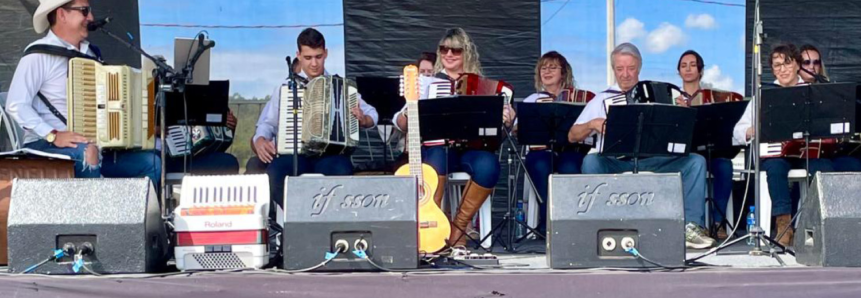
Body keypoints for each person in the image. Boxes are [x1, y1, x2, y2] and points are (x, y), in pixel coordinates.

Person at [568, 43, 715, 249]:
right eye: (620, 69)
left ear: (639, 68)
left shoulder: (663, 95)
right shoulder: (602, 99)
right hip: (616, 161)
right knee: (591, 160)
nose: (625, 74)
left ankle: (690, 227)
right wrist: (593, 124)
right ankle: (596, 224)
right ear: (613, 70)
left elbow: (684, 135)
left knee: (696, 162)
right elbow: (572, 136)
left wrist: (683, 114)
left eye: (631, 68)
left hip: (655, 160)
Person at [5, 0, 160, 188]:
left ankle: (129, 216)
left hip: (94, 147)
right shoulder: (38, 55)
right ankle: (94, 216)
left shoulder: (92, 55)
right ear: (62, 14)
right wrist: (53, 135)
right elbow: (16, 104)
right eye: (84, 11)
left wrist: (138, 130)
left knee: (150, 162)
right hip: (45, 146)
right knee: (88, 152)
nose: (91, 18)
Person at [392, 28, 513, 249]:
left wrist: (507, 119)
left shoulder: (483, 86)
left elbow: (505, 131)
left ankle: (458, 229)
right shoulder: (426, 83)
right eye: (444, 49)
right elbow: (399, 123)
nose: (448, 54)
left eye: (455, 50)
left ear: (466, 53)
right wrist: (410, 109)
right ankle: (434, 227)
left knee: (489, 165)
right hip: (437, 150)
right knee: (437, 155)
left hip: (471, 150)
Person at [253, 28, 378, 209]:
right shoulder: (285, 87)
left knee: (342, 171)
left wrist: (364, 119)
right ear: (299, 55)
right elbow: (267, 123)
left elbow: (372, 113)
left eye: (318, 57)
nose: (313, 63)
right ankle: (292, 221)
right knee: (276, 172)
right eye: (308, 57)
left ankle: (329, 223)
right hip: (295, 154)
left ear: (326, 54)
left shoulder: (340, 86)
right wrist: (260, 139)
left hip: (329, 155)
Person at [733, 44, 835, 247]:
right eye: (777, 65)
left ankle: (817, 223)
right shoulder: (764, 95)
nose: (782, 69)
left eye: (787, 63)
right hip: (776, 154)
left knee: (824, 169)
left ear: (797, 65)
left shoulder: (811, 92)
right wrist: (752, 130)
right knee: (775, 167)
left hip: (806, 154)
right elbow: (737, 132)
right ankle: (783, 225)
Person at [518, 51, 585, 234]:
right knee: (540, 164)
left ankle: (570, 222)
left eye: (552, 67)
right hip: (541, 151)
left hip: (569, 149)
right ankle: (547, 223)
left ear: (563, 72)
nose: (546, 72)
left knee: (570, 167)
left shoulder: (577, 98)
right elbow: (517, 129)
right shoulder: (532, 100)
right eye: (543, 68)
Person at [675, 50, 735, 239]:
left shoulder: (711, 96)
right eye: (684, 66)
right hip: (683, 156)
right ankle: (690, 224)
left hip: (710, 152)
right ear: (678, 72)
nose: (688, 69)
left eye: (692, 65)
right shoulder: (673, 98)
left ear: (700, 70)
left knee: (725, 165)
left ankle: (718, 223)